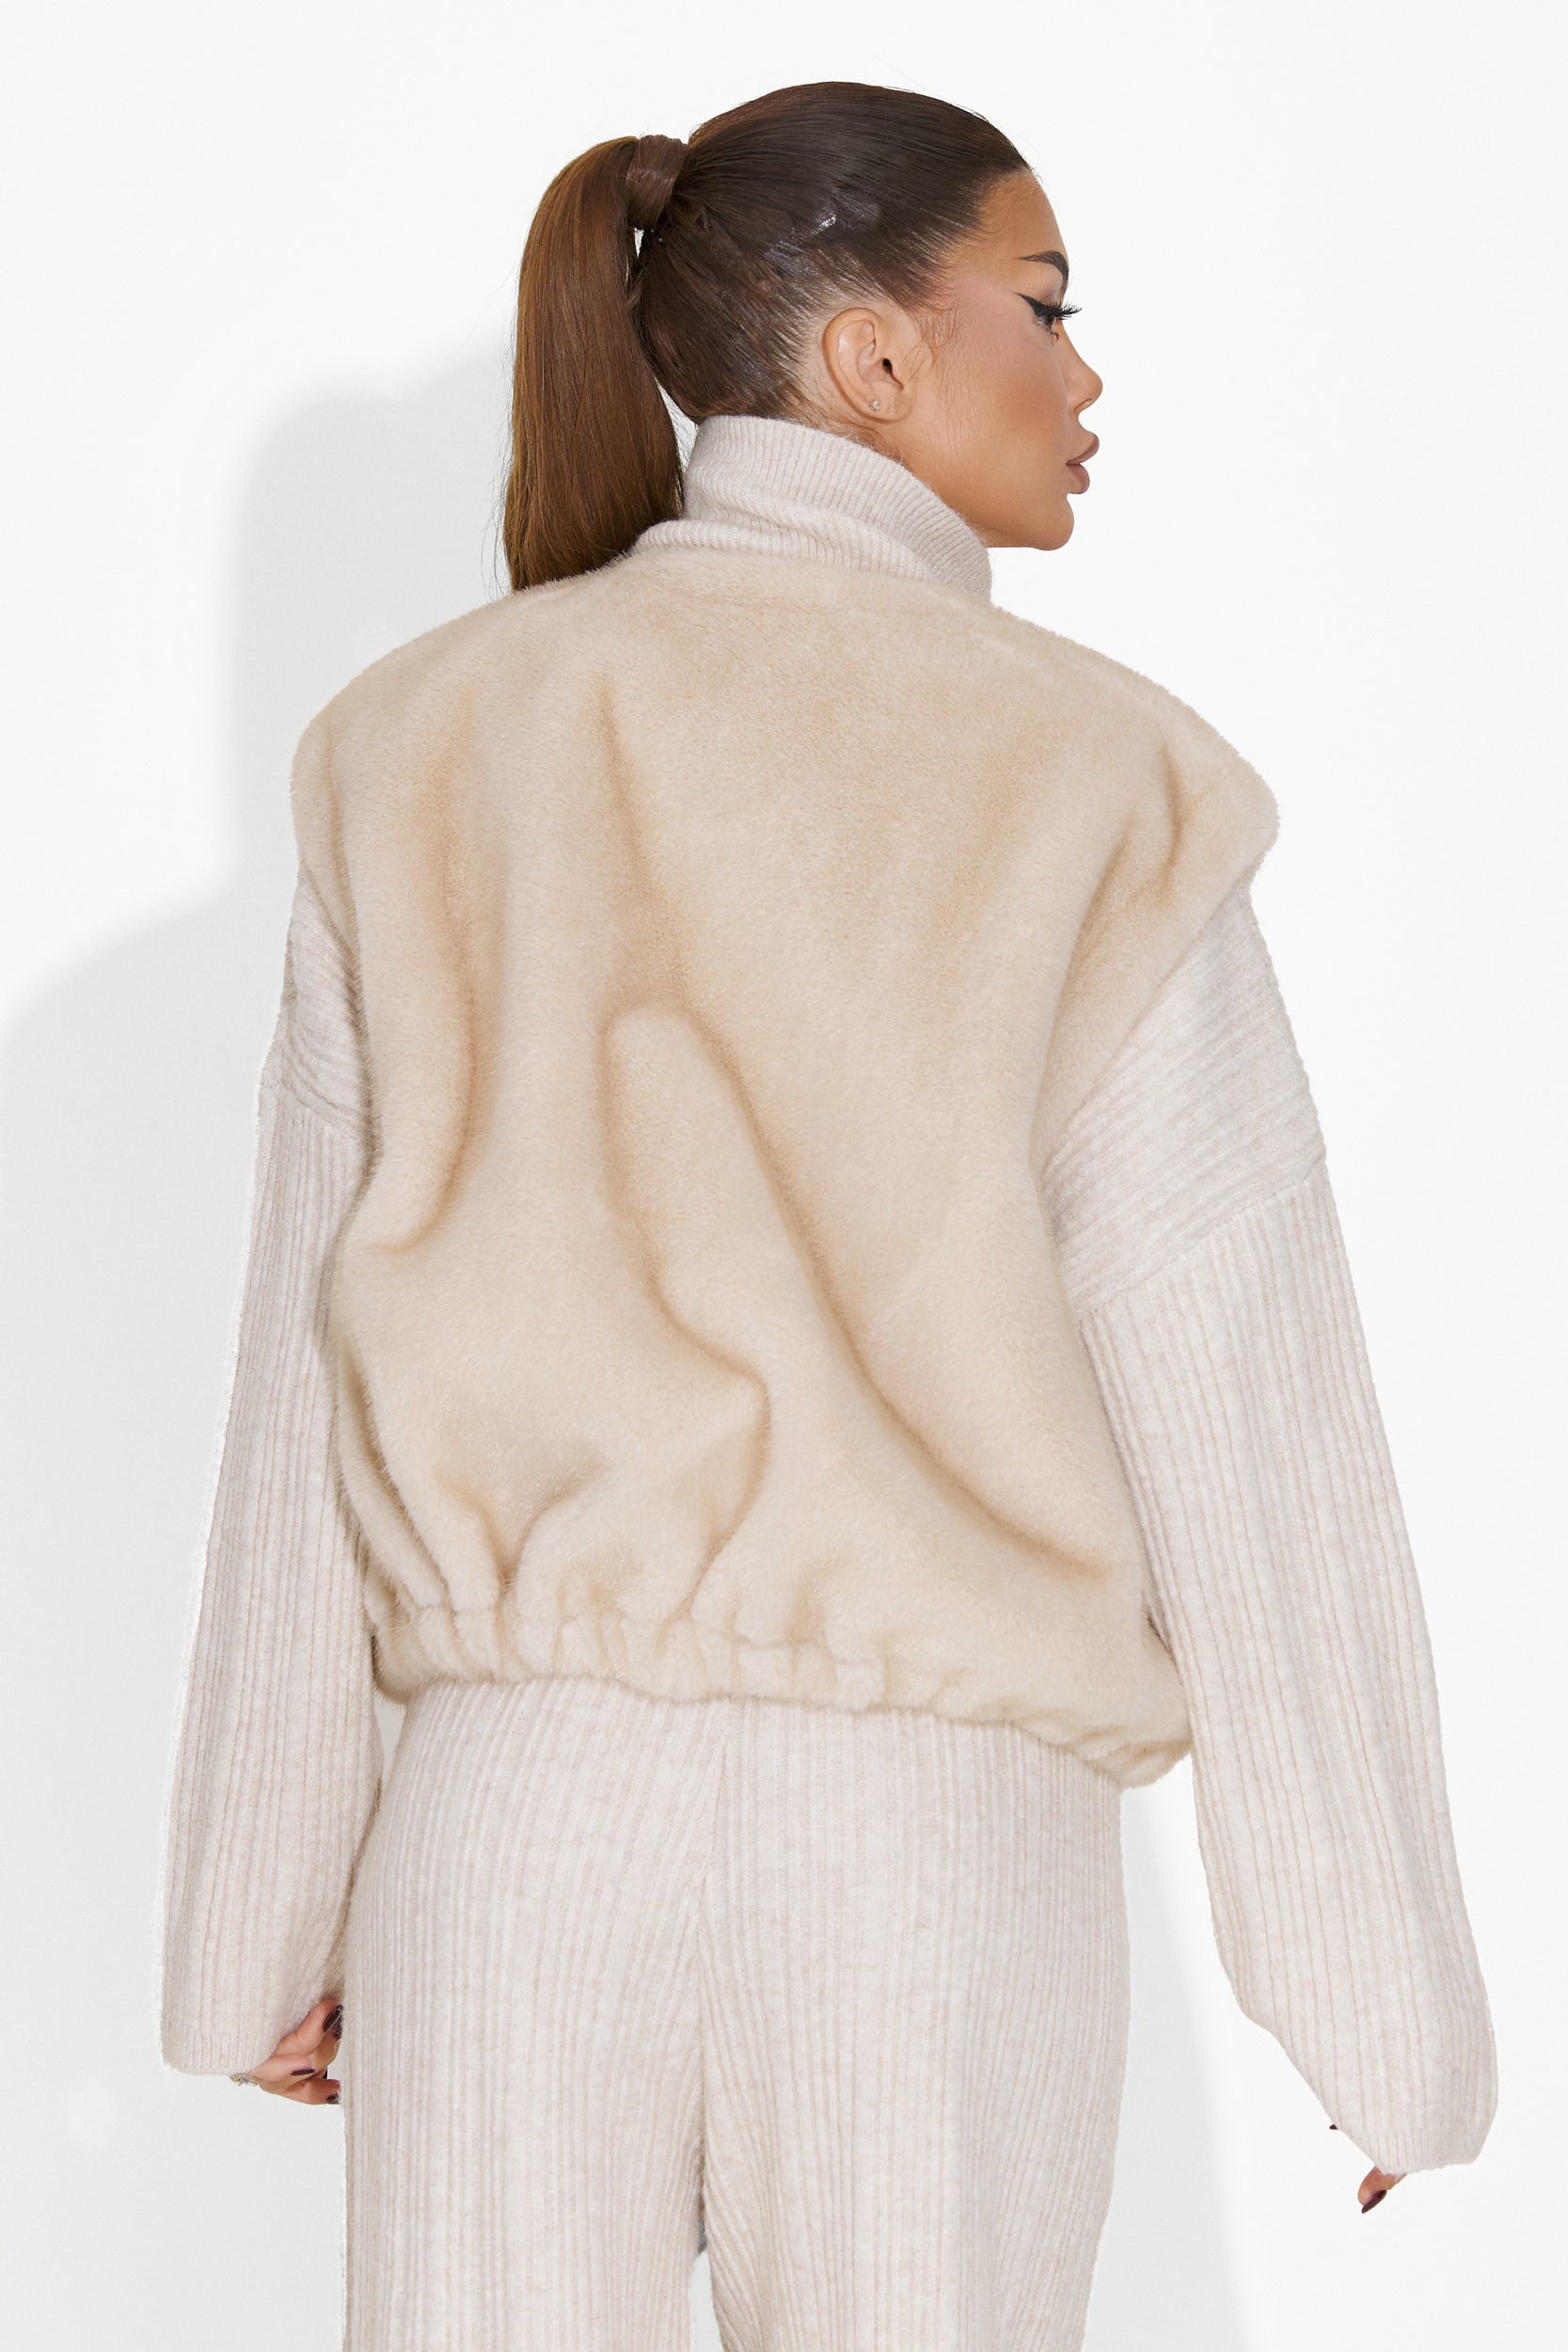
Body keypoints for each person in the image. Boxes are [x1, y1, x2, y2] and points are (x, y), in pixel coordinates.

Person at [159, 79, 1497, 2352]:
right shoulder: (1108, 785)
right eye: (1045, 307)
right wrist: (1385, 2003)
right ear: (873, 354)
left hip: (516, 1832)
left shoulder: (420, 745)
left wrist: (253, 1920)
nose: (1087, 375)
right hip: (932, 1858)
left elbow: (317, 1354)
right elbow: (1247, 1409)